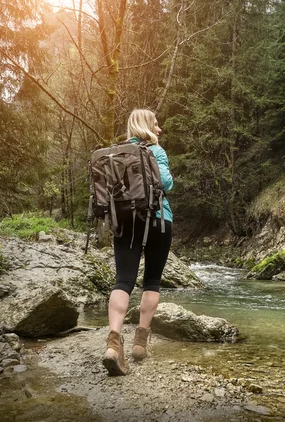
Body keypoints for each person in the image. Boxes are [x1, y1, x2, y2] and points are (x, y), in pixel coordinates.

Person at [102, 109, 173, 376]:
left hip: (126, 223)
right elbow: (167, 182)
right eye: (156, 124)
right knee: (152, 280)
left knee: (123, 280)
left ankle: (113, 344)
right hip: (158, 220)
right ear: (146, 126)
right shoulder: (157, 150)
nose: (159, 130)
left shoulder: (116, 154)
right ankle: (140, 344)